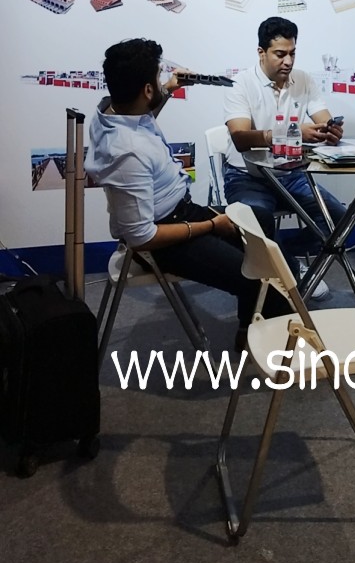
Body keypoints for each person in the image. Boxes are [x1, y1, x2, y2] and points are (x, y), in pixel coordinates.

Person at [85, 38, 289, 352]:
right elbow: (142, 237)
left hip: (181, 212)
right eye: (157, 79)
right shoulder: (127, 154)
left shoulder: (110, 112)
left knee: (260, 220)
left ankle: (249, 327)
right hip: (164, 239)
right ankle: (275, 345)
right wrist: (212, 226)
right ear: (146, 90)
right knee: (263, 276)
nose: (160, 82)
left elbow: (143, 118)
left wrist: (169, 88)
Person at [222, 16, 346, 278]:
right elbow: (240, 138)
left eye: (292, 53)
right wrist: (291, 133)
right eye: (280, 54)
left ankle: (285, 257)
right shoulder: (240, 83)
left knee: (340, 219)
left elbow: (323, 118)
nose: (288, 61)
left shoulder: (303, 80)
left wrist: (330, 131)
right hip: (247, 177)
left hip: (291, 174)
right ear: (261, 52)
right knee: (257, 224)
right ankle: (290, 269)